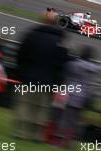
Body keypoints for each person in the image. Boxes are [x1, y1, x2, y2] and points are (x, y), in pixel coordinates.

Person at [12, 10, 69, 141]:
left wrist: (20, 72)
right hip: (48, 81)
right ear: (57, 23)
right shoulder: (61, 41)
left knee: (25, 104)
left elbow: (20, 55)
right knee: (42, 108)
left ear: (42, 21)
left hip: (28, 77)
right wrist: (58, 82)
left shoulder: (31, 35)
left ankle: (21, 132)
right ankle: (38, 135)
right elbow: (63, 63)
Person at [54, 45, 101, 148]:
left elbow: (66, 74)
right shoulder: (95, 69)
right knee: (76, 120)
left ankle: (58, 141)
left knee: (64, 118)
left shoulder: (73, 65)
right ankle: (69, 142)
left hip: (71, 93)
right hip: (85, 96)